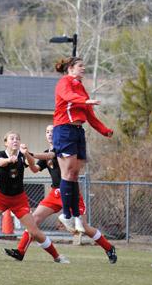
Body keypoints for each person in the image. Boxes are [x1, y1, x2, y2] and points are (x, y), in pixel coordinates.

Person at [4, 125, 117, 264]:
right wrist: (26, 154)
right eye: (47, 131)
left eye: (52, 131)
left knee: (84, 227)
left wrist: (30, 154)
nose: (50, 133)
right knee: (34, 220)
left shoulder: (63, 147)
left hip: (69, 192)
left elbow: (51, 155)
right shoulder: (46, 152)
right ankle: (20, 252)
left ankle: (109, 248)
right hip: (54, 193)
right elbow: (35, 169)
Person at [0, 131, 69, 263]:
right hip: (0, 197)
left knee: (34, 232)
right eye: (12, 139)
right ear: (6, 143)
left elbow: (32, 164)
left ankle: (57, 257)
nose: (15, 140)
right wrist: (10, 160)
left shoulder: (22, 155)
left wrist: (26, 153)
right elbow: (0, 162)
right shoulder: (1, 154)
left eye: (17, 139)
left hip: (18, 199)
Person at [53, 56, 113, 233]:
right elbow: (67, 96)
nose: (83, 69)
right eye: (80, 66)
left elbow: (90, 115)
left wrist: (104, 130)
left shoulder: (81, 88)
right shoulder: (65, 81)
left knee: (75, 174)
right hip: (64, 129)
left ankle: (75, 215)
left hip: (78, 131)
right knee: (68, 171)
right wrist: (84, 100)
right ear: (70, 68)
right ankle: (66, 214)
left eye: (84, 66)